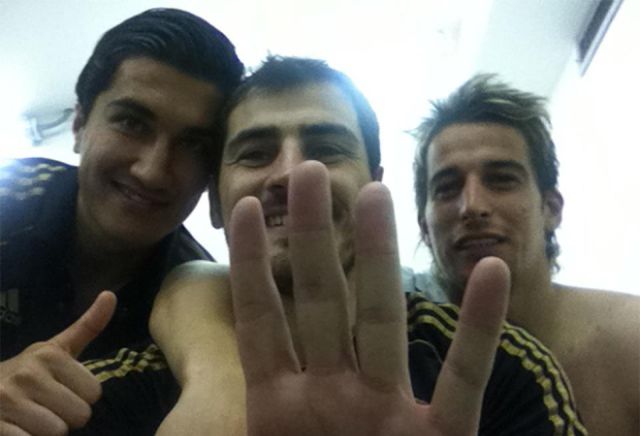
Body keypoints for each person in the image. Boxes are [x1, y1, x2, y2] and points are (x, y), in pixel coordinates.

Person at [78, 57, 585, 435]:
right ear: (214, 202)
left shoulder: (500, 369)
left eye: (326, 149)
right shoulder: (112, 395)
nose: (293, 174)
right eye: (255, 153)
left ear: (375, 187)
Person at [0, 8, 243, 435]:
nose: (152, 170)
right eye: (132, 122)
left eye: (193, 145)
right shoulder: (8, 199)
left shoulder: (198, 308)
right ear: (79, 124)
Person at [413, 73, 639, 435]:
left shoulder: (631, 338)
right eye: (447, 187)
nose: (472, 206)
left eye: (501, 179)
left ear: (550, 209)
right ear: (425, 227)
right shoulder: (404, 367)